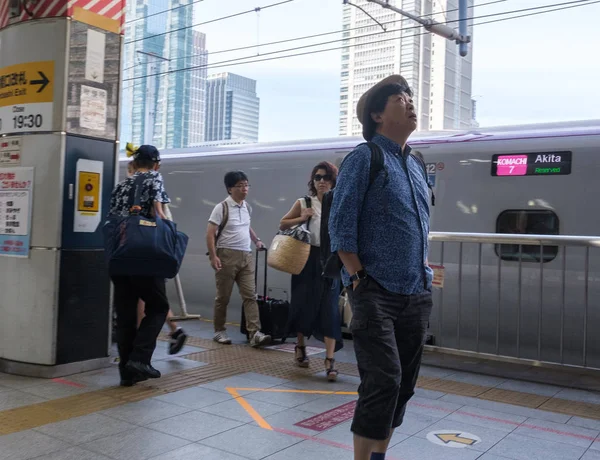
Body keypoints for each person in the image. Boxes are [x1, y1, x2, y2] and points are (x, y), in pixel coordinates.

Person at [328, 75, 434, 460]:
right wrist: (358, 278)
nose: (409, 101)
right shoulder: (365, 157)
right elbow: (340, 227)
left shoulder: (418, 163)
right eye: (399, 97)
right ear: (376, 114)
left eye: (410, 96)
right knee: (382, 380)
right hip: (377, 292)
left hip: (417, 292)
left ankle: (378, 455)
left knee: (403, 384)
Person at [108, 145, 173, 386]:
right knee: (158, 306)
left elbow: (113, 218)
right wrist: (171, 233)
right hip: (143, 256)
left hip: (118, 256)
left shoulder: (121, 184)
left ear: (134, 163)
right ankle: (140, 358)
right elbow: (158, 214)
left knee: (125, 315)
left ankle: (127, 373)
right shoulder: (154, 177)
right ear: (156, 164)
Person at [279, 161, 343, 381]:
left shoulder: (339, 203)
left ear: (334, 181)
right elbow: (283, 224)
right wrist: (302, 217)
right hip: (306, 259)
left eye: (326, 177)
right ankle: (300, 346)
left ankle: (329, 359)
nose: (322, 181)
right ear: (312, 180)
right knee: (302, 303)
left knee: (330, 309)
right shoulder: (304, 202)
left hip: (330, 261)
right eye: (317, 177)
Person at [127, 159, 188, 355]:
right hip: (157, 249)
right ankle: (175, 330)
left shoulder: (146, 189)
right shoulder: (155, 189)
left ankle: (139, 340)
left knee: (142, 297)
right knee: (156, 296)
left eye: (131, 171)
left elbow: (158, 215)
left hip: (147, 249)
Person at [205, 171, 271, 347]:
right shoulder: (222, 208)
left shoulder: (246, 207)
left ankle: (254, 333)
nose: (245, 189)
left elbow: (247, 227)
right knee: (223, 297)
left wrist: (256, 241)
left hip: (246, 255)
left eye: (246, 185)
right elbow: (210, 234)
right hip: (226, 255)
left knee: (250, 295)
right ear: (230, 189)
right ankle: (219, 331)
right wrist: (213, 256)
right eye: (240, 185)